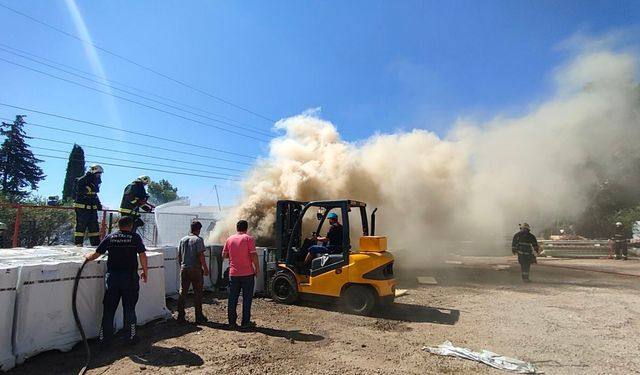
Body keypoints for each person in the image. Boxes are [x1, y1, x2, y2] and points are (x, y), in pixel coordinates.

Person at [84, 215, 148, 343]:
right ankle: (130, 338)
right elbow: (142, 255)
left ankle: (104, 339)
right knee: (129, 308)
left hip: (113, 278)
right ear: (130, 226)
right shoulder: (134, 237)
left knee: (109, 309)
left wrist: (86, 256)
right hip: (130, 279)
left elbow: (96, 255)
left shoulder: (110, 237)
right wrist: (145, 271)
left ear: (118, 225)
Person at [223, 220, 259, 329]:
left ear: (236, 228)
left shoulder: (229, 239)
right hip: (247, 273)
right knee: (247, 298)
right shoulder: (248, 239)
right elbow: (253, 255)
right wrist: (257, 268)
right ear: (246, 228)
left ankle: (232, 322)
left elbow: (224, 255)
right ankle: (245, 322)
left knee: (232, 298)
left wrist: (234, 257)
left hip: (233, 274)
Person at [177, 221, 209, 324]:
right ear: (199, 229)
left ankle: (180, 316)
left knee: (183, 292)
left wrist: (182, 266)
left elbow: (179, 256)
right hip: (195, 269)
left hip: (184, 268)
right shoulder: (198, 240)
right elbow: (201, 255)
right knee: (198, 293)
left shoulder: (182, 240)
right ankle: (198, 317)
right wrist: (205, 268)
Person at [73, 164, 103, 246]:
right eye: (98, 174)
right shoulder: (82, 180)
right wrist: (89, 188)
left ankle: (96, 245)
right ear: (93, 172)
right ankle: (78, 244)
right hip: (82, 208)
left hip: (92, 209)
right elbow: (80, 191)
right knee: (81, 226)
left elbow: (94, 195)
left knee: (94, 227)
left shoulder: (94, 182)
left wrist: (99, 205)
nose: (99, 176)